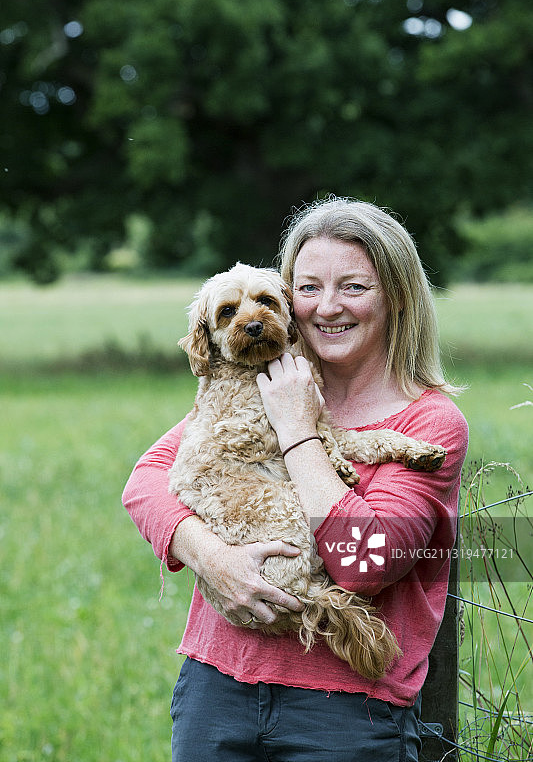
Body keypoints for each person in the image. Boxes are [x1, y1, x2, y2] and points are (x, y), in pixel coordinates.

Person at [122, 196, 469, 762]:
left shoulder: (429, 423)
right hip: (216, 688)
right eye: (308, 288)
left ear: (398, 298)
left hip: (348, 714)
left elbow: (364, 565)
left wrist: (298, 431)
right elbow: (145, 482)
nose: (327, 307)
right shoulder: (249, 383)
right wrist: (213, 559)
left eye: (353, 287)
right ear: (290, 299)